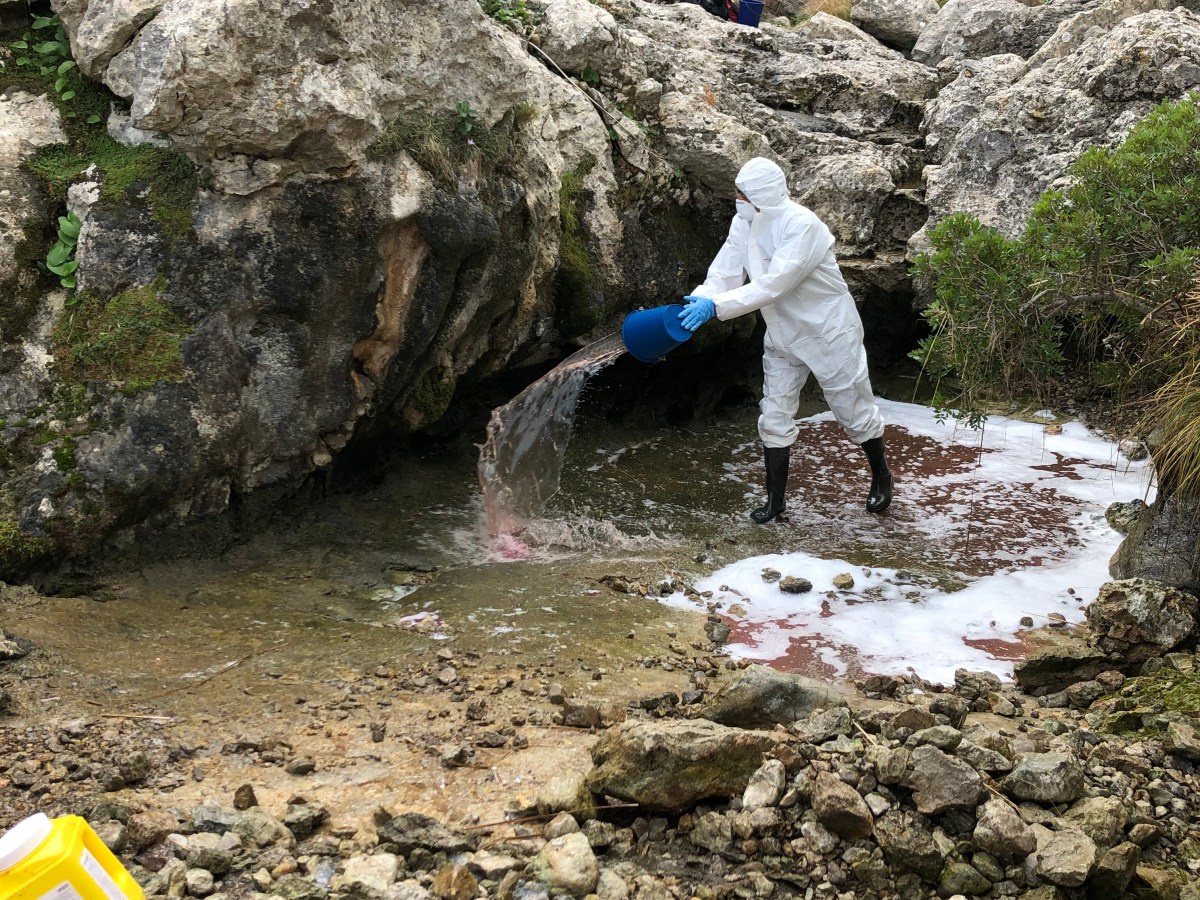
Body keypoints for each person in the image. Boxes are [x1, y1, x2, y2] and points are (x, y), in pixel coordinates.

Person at [678, 157, 893, 523]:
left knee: (852, 410)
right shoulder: (743, 222)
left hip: (828, 331)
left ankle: (882, 475)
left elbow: (774, 284)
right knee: (774, 415)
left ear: (762, 195)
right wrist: (702, 298)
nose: (737, 199)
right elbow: (726, 271)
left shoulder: (802, 225)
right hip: (782, 333)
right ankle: (775, 501)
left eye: (743, 194)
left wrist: (716, 307)